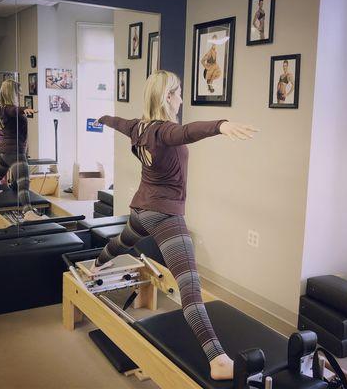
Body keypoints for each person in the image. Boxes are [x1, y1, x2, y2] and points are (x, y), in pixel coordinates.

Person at [92, 70, 258, 380]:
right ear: (167, 97)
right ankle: (218, 360)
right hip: (165, 214)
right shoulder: (166, 131)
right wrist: (221, 125)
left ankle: (97, 265)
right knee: (190, 287)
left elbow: (118, 122)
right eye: (178, 92)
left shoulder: (139, 127)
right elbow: (189, 133)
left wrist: (103, 118)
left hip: (141, 208)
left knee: (124, 240)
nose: (181, 98)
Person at [0, 79, 45, 221]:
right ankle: (28, 212)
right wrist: (23, 109)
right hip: (15, 152)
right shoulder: (10, 109)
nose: (20, 94)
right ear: (12, 93)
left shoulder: (0, 108)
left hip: (4, 151)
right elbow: (14, 110)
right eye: (18, 92)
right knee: (24, 181)